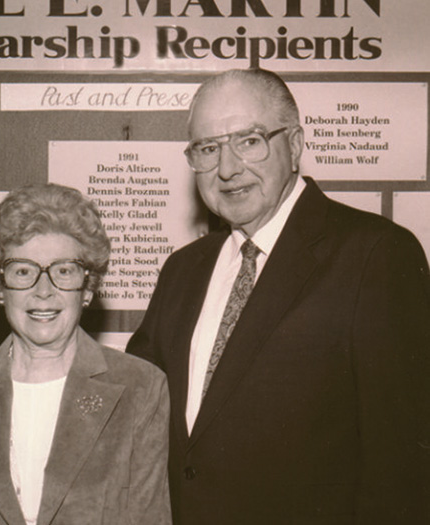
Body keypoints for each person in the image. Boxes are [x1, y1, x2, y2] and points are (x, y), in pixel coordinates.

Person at [126, 69, 430, 524]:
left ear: (296, 145)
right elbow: (139, 406)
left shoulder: (376, 255)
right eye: (208, 148)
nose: (227, 169)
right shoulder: (183, 270)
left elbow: (403, 462)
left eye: (249, 140)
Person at [0, 183, 172, 525]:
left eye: (63, 271)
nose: (43, 291)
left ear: (87, 288)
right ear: (1, 288)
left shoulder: (140, 388)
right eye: (23, 271)